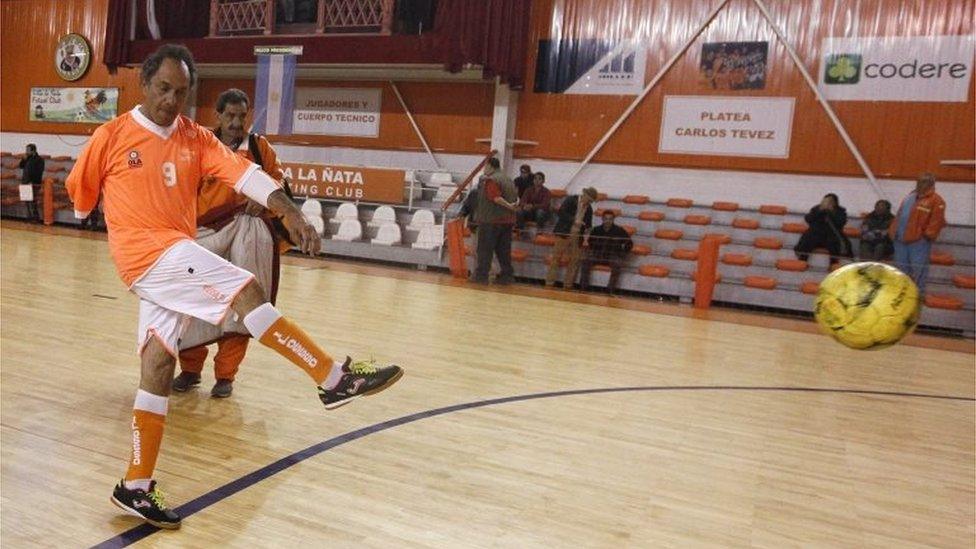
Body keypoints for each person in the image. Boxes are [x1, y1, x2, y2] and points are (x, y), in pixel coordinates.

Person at [65, 44, 403, 530]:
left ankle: (135, 486)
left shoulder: (195, 137)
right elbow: (80, 199)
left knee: (159, 362)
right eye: (162, 89)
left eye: (181, 93)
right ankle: (332, 379)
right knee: (245, 290)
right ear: (143, 84)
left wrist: (289, 210)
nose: (170, 100)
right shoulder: (111, 135)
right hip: (148, 253)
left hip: (172, 250)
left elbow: (245, 174)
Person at [172, 88, 289, 399]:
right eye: (231, 116)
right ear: (219, 116)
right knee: (193, 304)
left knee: (242, 307)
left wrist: (263, 203)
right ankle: (190, 370)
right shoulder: (198, 146)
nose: (237, 122)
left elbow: (279, 185)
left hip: (246, 234)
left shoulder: (260, 148)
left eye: (242, 116)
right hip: (204, 233)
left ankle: (226, 376)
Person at [890, 173, 946, 293]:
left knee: (919, 269)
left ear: (931, 184)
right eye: (919, 181)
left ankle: (918, 294)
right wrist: (893, 231)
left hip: (919, 242)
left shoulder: (937, 200)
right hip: (900, 239)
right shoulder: (910, 196)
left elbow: (937, 221)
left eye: (924, 182)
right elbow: (900, 215)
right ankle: (903, 292)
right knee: (901, 267)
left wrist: (927, 236)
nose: (920, 184)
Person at [471, 157, 518, 285]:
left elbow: (496, 198)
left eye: (485, 167)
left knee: (485, 250)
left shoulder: (492, 180)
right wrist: (514, 207)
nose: (484, 170)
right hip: (507, 221)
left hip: (491, 220)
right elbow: (516, 197)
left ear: (491, 166)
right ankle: (507, 276)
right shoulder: (508, 179)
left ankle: (481, 276)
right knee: (503, 251)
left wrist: (509, 206)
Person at [545, 187, 597, 289]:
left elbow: (588, 224)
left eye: (591, 201)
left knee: (574, 260)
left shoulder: (589, 208)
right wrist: (574, 220)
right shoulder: (570, 200)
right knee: (556, 258)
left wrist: (588, 228)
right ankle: (549, 283)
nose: (589, 202)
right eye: (589, 200)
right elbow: (561, 213)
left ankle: (568, 285)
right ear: (584, 195)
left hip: (578, 235)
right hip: (564, 232)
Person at [580, 211, 633, 294]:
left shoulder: (619, 230)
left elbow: (629, 243)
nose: (608, 221)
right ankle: (583, 287)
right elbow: (590, 242)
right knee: (585, 261)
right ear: (602, 219)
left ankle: (610, 290)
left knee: (617, 265)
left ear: (613, 220)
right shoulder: (596, 230)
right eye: (606, 219)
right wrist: (594, 249)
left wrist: (622, 254)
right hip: (598, 254)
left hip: (612, 255)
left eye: (610, 219)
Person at [793, 193, 852, 266]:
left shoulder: (840, 211)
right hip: (816, 234)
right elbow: (808, 219)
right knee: (807, 240)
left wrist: (831, 212)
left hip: (831, 236)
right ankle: (802, 260)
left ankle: (833, 264)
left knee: (834, 245)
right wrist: (820, 211)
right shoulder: (817, 209)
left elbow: (841, 222)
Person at [18, 144, 44, 222]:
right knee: (26, 201)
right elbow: (21, 166)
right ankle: (29, 217)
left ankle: (35, 218)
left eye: (28, 150)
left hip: (34, 183)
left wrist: (32, 181)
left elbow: (39, 172)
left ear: (33, 150)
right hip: (25, 181)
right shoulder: (27, 158)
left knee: (33, 201)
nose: (26, 152)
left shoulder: (39, 159)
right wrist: (23, 159)